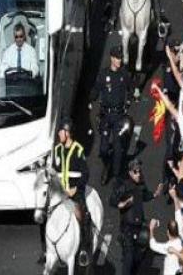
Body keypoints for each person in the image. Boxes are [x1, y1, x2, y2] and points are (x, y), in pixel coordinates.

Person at [110, 159, 161, 275]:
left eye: (139, 171)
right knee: (128, 261)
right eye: (135, 172)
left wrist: (154, 194)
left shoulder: (141, 184)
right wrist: (122, 204)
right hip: (127, 229)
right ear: (130, 173)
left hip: (140, 227)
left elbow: (144, 195)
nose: (138, 174)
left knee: (138, 259)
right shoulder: (124, 186)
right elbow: (112, 200)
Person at [52, 119, 91, 267]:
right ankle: (47, 248)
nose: (58, 134)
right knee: (44, 214)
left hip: (74, 193)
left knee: (83, 216)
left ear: (67, 133)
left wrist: (75, 189)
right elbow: (55, 171)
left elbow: (85, 174)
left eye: (61, 131)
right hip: (59, 194)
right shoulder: (57, 150)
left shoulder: (78, 150)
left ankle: (83, 250)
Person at [91, 46, 131, 184]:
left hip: (119, 115)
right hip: (106, 116)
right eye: (117, 58)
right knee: (103, 149)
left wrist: (130, 100)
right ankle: (106, 164)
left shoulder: (124, 74)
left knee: (119, 149)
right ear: (112, 58)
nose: (120, 60)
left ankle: (116, 176)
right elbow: (96, 88)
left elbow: (132, 88)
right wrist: (91, 98)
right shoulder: (104, 74)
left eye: (121, 58)